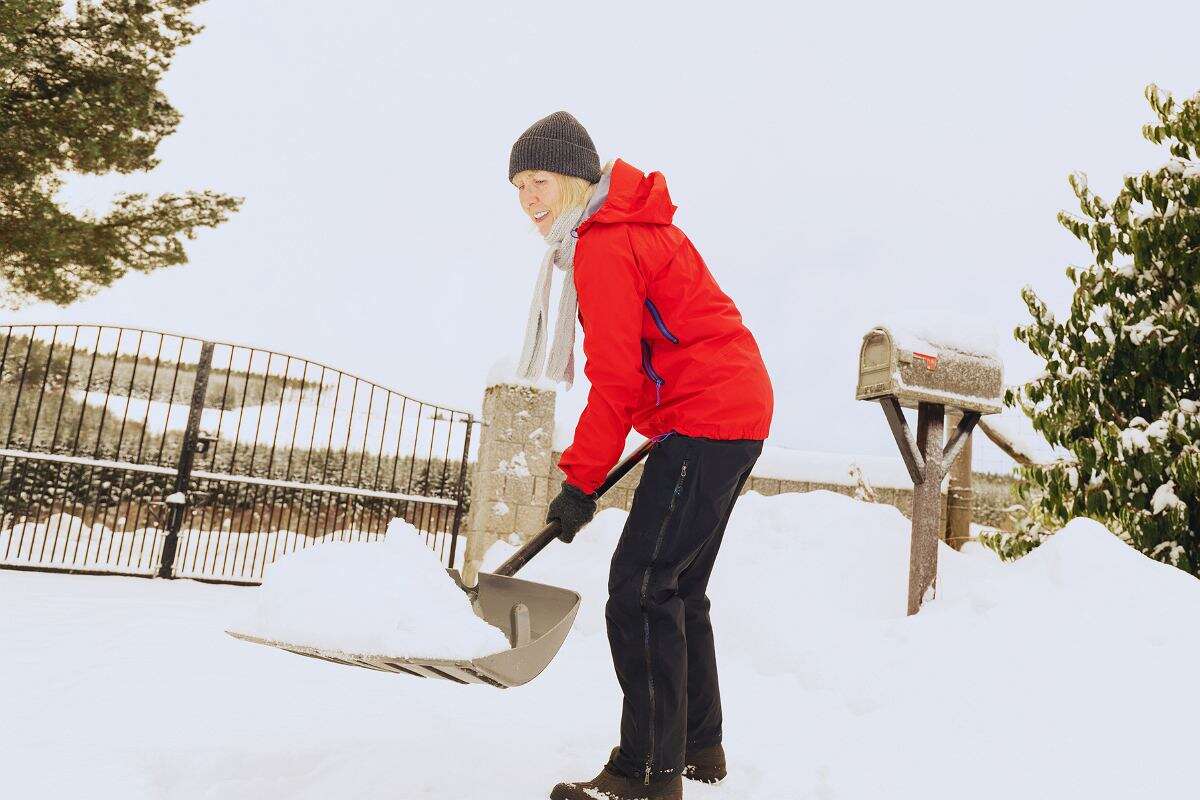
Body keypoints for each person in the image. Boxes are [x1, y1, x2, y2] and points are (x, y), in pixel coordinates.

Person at [509, 111, 773, 800]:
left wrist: (580, 481)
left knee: (641, 587)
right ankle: (697, 747)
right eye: (518, 188)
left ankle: (644, 774)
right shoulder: (632, 228)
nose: (528, 199)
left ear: (573, 178)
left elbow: (618, 378)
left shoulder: (604, 244)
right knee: (676, 587)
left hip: (708, 416)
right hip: (732, 411)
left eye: (538, 181)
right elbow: (654, 359)